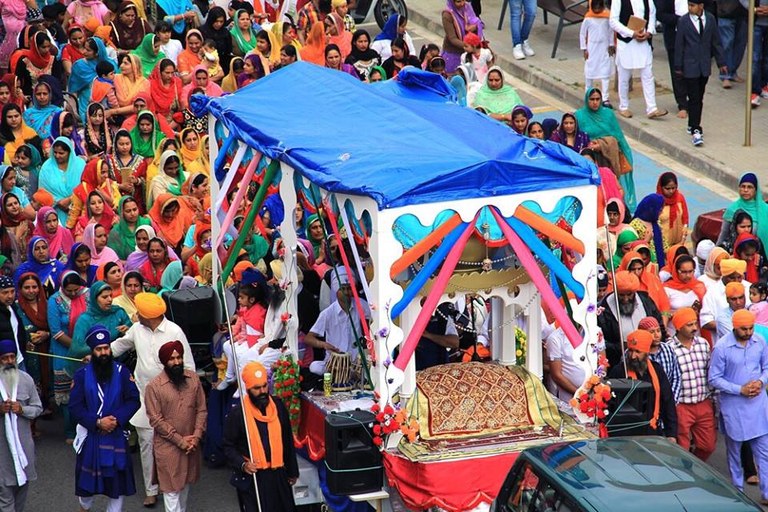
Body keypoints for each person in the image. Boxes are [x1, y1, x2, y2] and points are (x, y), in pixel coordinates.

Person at [111, 292, 195, 508]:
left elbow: (189, 368)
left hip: (171, 401)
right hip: (144, 398)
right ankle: (151, 489)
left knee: (172, 447)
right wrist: (100, 353)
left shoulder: (174, 332)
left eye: (139, 311)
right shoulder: (137, 328)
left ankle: (173, 486)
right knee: (146, 443)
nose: (136, 314)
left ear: (149, 316)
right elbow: (121, 345)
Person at [69, 325, 140, 512]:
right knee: (85, 489)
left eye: (106, 348)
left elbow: (134, 400)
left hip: (116, 434)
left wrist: (116, 419)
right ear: (92, 351)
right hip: (92, 435)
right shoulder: (82, 375)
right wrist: (97, 422)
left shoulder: (122, 371)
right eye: (99, 349)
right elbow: (75, 407)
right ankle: (84, 508)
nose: (104, 353)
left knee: (118, 486)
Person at [709, 309, 768, 505]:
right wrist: (739, 389)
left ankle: (766, 493)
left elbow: (766, 367)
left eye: (751, 328)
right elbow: (714, 378)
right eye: (744, 329)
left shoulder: (759, 341)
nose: (749, 332)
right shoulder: (722, 347)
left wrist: (760, 382)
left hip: (758, 404)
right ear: (735, 327)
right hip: (734, 406)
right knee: (734, 452)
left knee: (764, 452)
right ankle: (738, 494)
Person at [222, 361, 299, 512]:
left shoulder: (278, 406)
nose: (263, 391)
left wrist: (292, 471)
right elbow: (228, 446)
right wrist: (243, 465)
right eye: (257, 388)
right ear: (248, 389)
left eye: (265, 386)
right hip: (255, 478)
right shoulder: (238, 414)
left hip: (278, 474)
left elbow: (287, 440)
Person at [145, 340, 206, 512]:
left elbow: (201, 409)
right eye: (172, 359)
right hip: (168, 447)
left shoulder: (193, 378)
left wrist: (197, 436)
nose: (177, 362)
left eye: (179, 357)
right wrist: (180, 441)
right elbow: (156, 420)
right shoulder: (154, 387)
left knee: (185, 486)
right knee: (171, 491)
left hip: (191, 444)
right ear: (165, 361)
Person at [609, 329, 678, 439]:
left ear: (647, 352)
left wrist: (671, 434)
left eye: (637, 352)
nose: (632, 356)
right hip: (624, 434)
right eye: (630, 351)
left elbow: (668, 402)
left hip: (652, 431)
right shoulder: (619, 371)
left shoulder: (657, 370)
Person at [674, 0, 726, 145]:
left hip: (704, 66)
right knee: (695, 97)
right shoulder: (683, 21)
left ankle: (692, 124)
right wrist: (678, 66)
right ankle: (697, 129)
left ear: (701, 6)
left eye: (693, 5)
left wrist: (721, 62)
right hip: (689, 65)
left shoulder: (710, 19)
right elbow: (679, 44)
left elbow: (716, 41)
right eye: (689, 5)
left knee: (699, 96)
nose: (690, 8)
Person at [574, 88, 636, 209]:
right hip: (590, 158)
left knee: (611, 186)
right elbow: (577, 137)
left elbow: (617, 135)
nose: (595, 102)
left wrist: (602, 145)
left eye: (598, 99)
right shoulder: (579, 115)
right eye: (592, 99)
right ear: (587, 100)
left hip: (609, 157)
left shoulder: (608, 114)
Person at [668, 307, 716, 460]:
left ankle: (695, 465)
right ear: (678, 327)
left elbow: (710, 372)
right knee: (682, 447)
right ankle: (685, 474)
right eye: (689, 325)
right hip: (681, 404)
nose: (695, 328)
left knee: (708, 445)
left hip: (703, 402)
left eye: (695, 323)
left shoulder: (703, 344)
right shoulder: (669, 348)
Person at [0, 338, 42, 511]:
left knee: (21, 492)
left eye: (12, 357)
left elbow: (38, 408)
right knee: (5, 496)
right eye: (5, 358)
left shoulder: (26, 380)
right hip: (2, 452)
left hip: (24, 448)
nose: (10, 361)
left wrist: (22, 409)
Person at [46, 271, 88, 442]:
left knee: (86, 389)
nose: (72, 294)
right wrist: (78, 349)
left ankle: (86, 427)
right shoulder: (54, 301)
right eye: (68, 290)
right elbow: (56, 332)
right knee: (67, 391)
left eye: (75, 290)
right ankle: (70, 430)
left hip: (86, 347)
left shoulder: (86, 295)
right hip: (64, 350)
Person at [609, 0, 668, 119]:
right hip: (626, 41)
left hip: (643, 41)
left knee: (648, 75)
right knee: (624, 76)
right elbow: (613, 21)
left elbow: (652, 14)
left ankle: (652, 108)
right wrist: (631, 33)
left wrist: (649, 31)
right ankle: (623, 106)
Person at [303, 273, 370, 376]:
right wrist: (324, 345)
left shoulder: (361, 305)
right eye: (343, 289)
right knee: (314, 367)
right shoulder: (328, 313)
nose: (347, 292)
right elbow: (308, 338)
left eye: (349, 288)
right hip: (334, 363)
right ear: (336, 291)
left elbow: (373, 321)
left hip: (356, 361)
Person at [598, 270, 666, 368]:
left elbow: (659, 326)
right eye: (621, 295)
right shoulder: (603, 310)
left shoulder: (645, 301)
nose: (625, 299)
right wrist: (622, 346)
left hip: (650, 359)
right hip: (620, 363)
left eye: (629, 294)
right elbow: (601, 342)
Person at [38, 137, 86, 224]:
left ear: (69, 152)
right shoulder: (46, 167)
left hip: (79, 210)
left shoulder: (80, 165)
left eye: (61, 153)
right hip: (55, 214)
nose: (57, 156)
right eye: (55, 152)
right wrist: (58, 201)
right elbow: (42, 191)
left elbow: (86, 186)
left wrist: (70, 199)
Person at [701, 258, 751, 337]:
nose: (736, 281)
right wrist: (725, 326)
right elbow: (706, 321)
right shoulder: (712, 292)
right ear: (723, 276)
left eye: (739, 277)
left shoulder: (749, 287)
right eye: (732, 278)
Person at [719, 173, 768, 253]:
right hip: (737, 256)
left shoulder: (765, 209)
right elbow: (723, 235)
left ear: (755, 190)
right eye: (743, 186)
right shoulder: (732, 210)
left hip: (760, 257)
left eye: (750, 187)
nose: (745, 190)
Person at [580, 0, 615, 107]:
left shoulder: (607, 17)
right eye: (595, 6)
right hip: (592, 48)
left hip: (604, 48)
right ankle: (587, 95)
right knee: (589, 72)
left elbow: (610, 31)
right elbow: (582, 34)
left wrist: (611, 44)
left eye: (599, 6)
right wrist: (584, 49)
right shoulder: (588, 18)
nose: (597, 9)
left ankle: (605, 98)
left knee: (605, 73)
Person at [640, 316, 680, 402]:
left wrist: (671, 401)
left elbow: (676, 377)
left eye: (658, 331)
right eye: (652, 332)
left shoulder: (668, 349)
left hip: (667, 402)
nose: (656, 335)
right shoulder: (636, 353)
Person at [545, 326, 586, 401]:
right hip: (567, 399)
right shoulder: (555, 338)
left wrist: (596, 388)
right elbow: (556, 375)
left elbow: (602, 362)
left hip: (594, 395)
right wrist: (580, 395)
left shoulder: (595, 332)